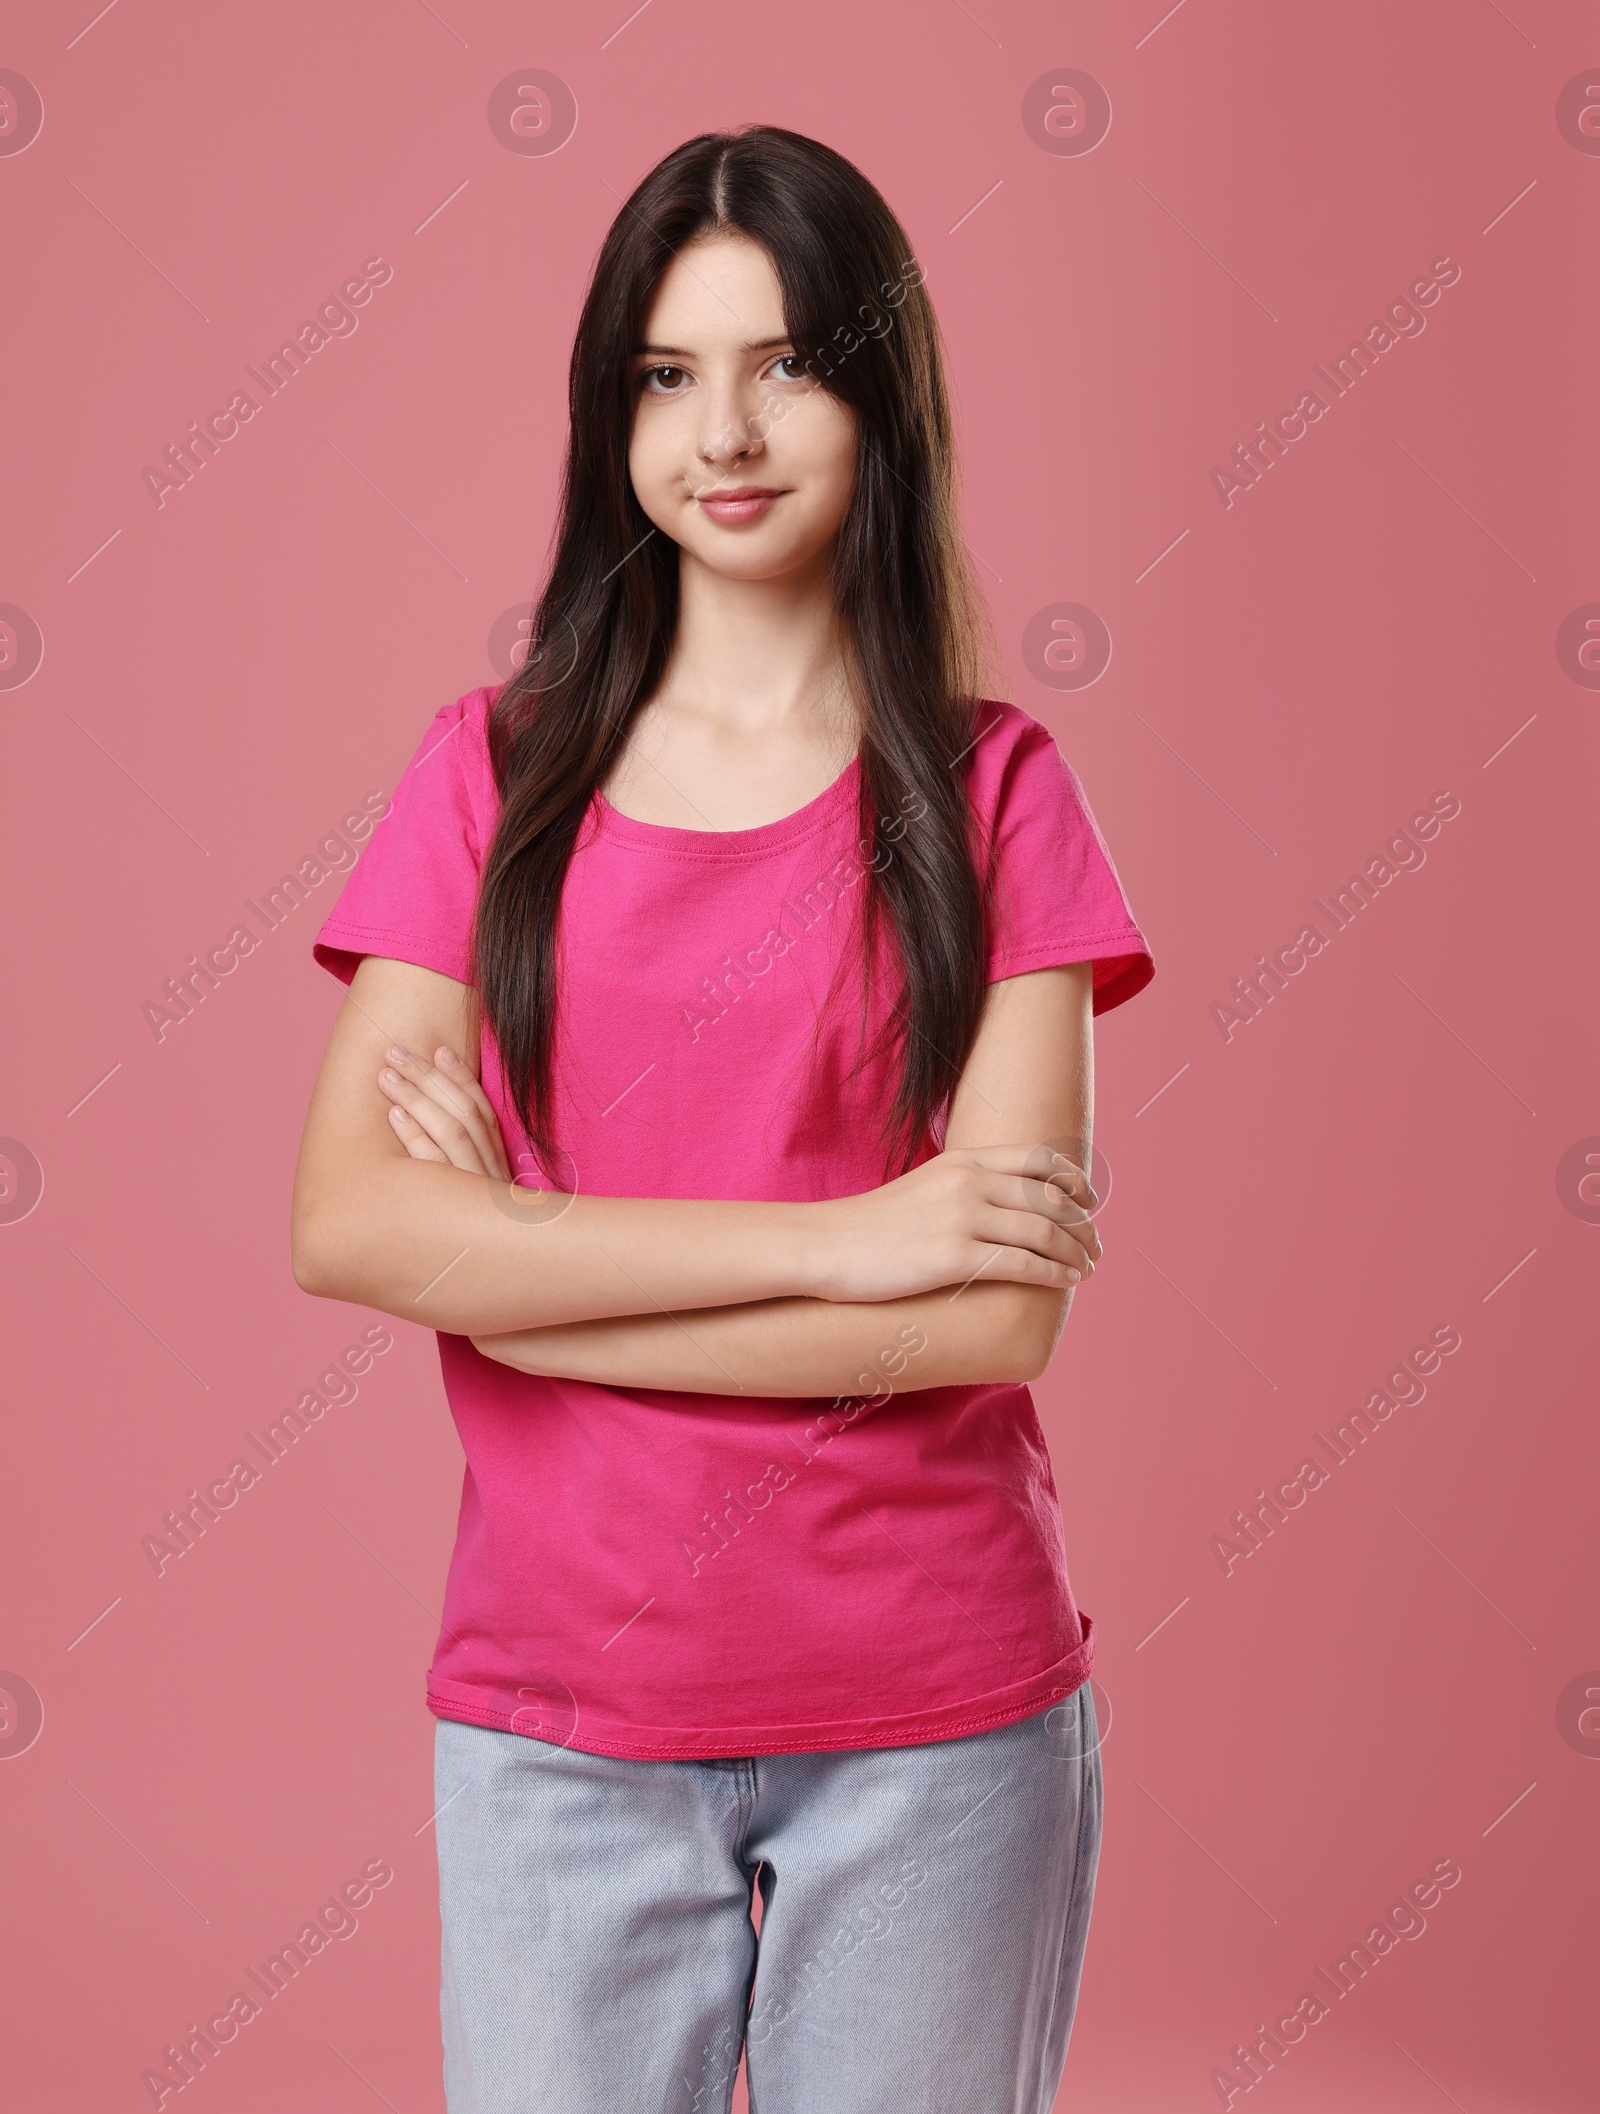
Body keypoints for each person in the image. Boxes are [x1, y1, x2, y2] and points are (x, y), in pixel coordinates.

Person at [291, 123, 1155, 2113]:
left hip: (935, 1718)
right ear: (610, 414)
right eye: (666, 376)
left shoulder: (997, 791)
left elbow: (990, 1318)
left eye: (784, 362)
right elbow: (350, 1224)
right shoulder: (486, 777)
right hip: (556, 1719)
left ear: (880, 392)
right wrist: (856, 1235)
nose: (724, 430)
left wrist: (527, 1277)